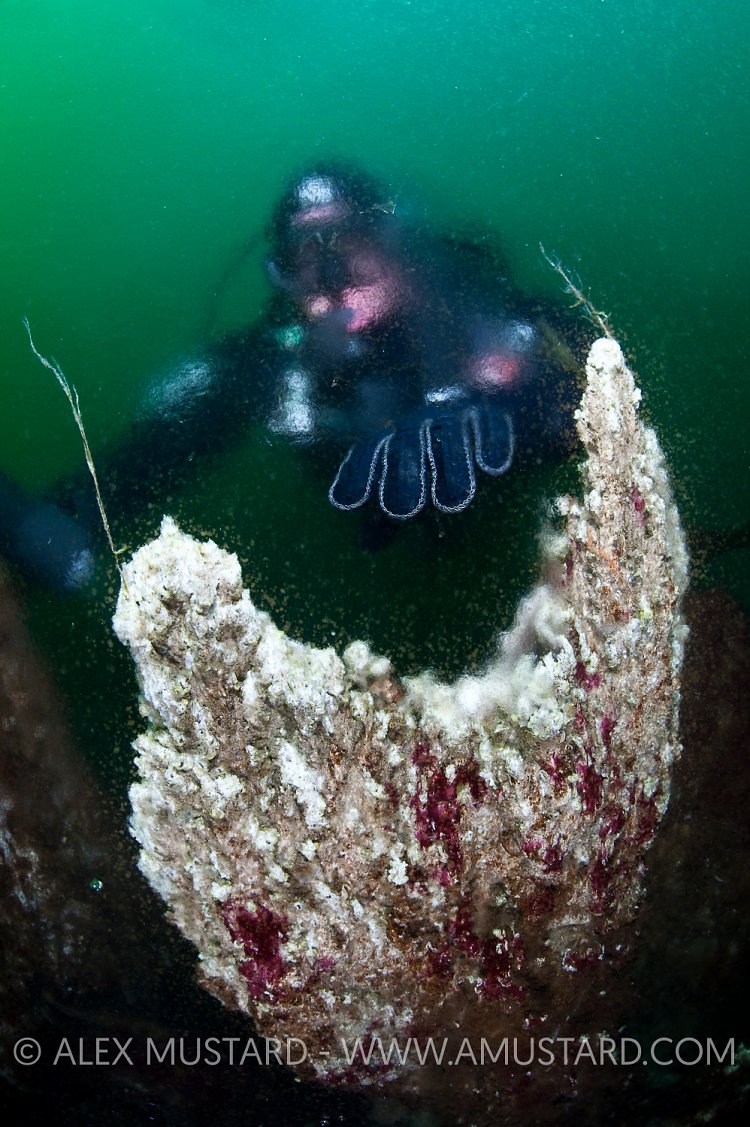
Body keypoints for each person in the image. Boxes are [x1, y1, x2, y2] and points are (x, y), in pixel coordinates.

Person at [0, 162, 584, 591]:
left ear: (398, 247)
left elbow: (592, 387)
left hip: (507, 536)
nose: (334, 279)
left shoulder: (472, 307)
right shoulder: (273, 368)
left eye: (353, 247)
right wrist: (42, 522)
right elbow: (145, 463)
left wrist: (516, 408)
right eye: (307, 260)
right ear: (283, 279)